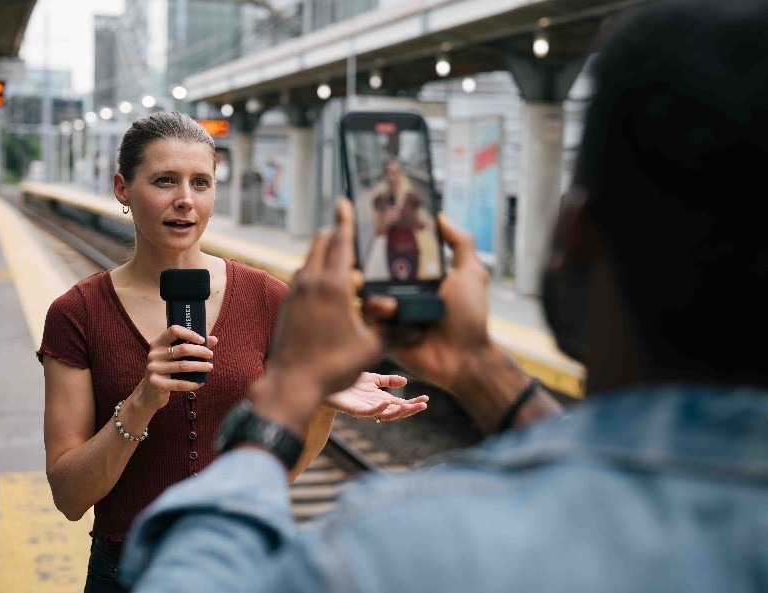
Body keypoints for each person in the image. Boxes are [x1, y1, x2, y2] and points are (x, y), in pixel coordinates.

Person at [116, 1, 768, 591]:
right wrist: (481, 370)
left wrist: (284, 396)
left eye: (200, 181)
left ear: (574, 242)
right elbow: (631, 490)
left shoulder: (410, 548)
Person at [37, 112, 429, 593]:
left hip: (244, 569)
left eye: (200, 182)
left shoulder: (267, 299)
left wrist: (318, 404)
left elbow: (281, 473)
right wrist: (140, 404)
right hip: (127, 574)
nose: (185, 200)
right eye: (164, 181)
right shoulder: (77, 314)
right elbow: (70, 497)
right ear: (122, 189)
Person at [366, 158, 435, 282]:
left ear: (401, 175)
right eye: (389, 173)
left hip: (412, 251)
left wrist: (427, 223)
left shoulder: (412, 197)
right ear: (385, 176)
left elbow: (419, 224)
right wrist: (387, 221)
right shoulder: (380, 200)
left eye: (395, 173)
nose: (392, 177)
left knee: (413, 282)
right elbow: (378, 231)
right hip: (393, 252)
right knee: (396, 283)